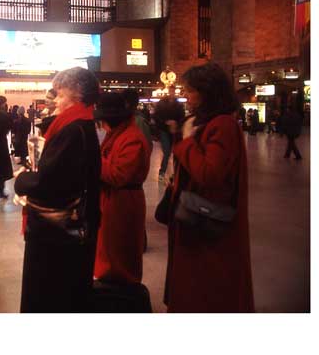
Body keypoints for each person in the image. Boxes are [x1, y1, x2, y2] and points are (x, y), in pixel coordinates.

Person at [165, 63, 254, 312]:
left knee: (207, 291)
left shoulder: (223, 125)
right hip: (197, 219)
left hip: (209, 223)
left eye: (191, 91)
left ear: (208, 93)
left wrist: (185, 143)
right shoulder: (205, 122)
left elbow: (210, 173)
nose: (187, 96)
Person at [14, 66, 101, 313]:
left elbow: (50, 182)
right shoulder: (81, 123)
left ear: (75, 95)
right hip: (71, 227)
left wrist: (23, 180)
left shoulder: (73, 128)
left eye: (60, 95)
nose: (56, 101)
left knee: (50, 292)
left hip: (58, 231)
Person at [93, 93, 150, 285]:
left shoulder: (131, 138)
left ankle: (123, 297)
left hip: (124, 202)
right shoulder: (118, 134)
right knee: (110, 250)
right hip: (113, 199)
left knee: (121, 253)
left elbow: (119, 175)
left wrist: (93, 158)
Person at [153, 86, 185, 182]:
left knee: (176, 152)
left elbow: (182, 117)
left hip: (175, 131)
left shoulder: (178, 105)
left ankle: (176, 174)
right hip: (164, 130)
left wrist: (176, 124)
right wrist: (166, 123)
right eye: (170, 90)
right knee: (167, 152)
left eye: (173, 91)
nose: (172, 92)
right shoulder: (162, 103)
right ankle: (162, 173)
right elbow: (156, 116)